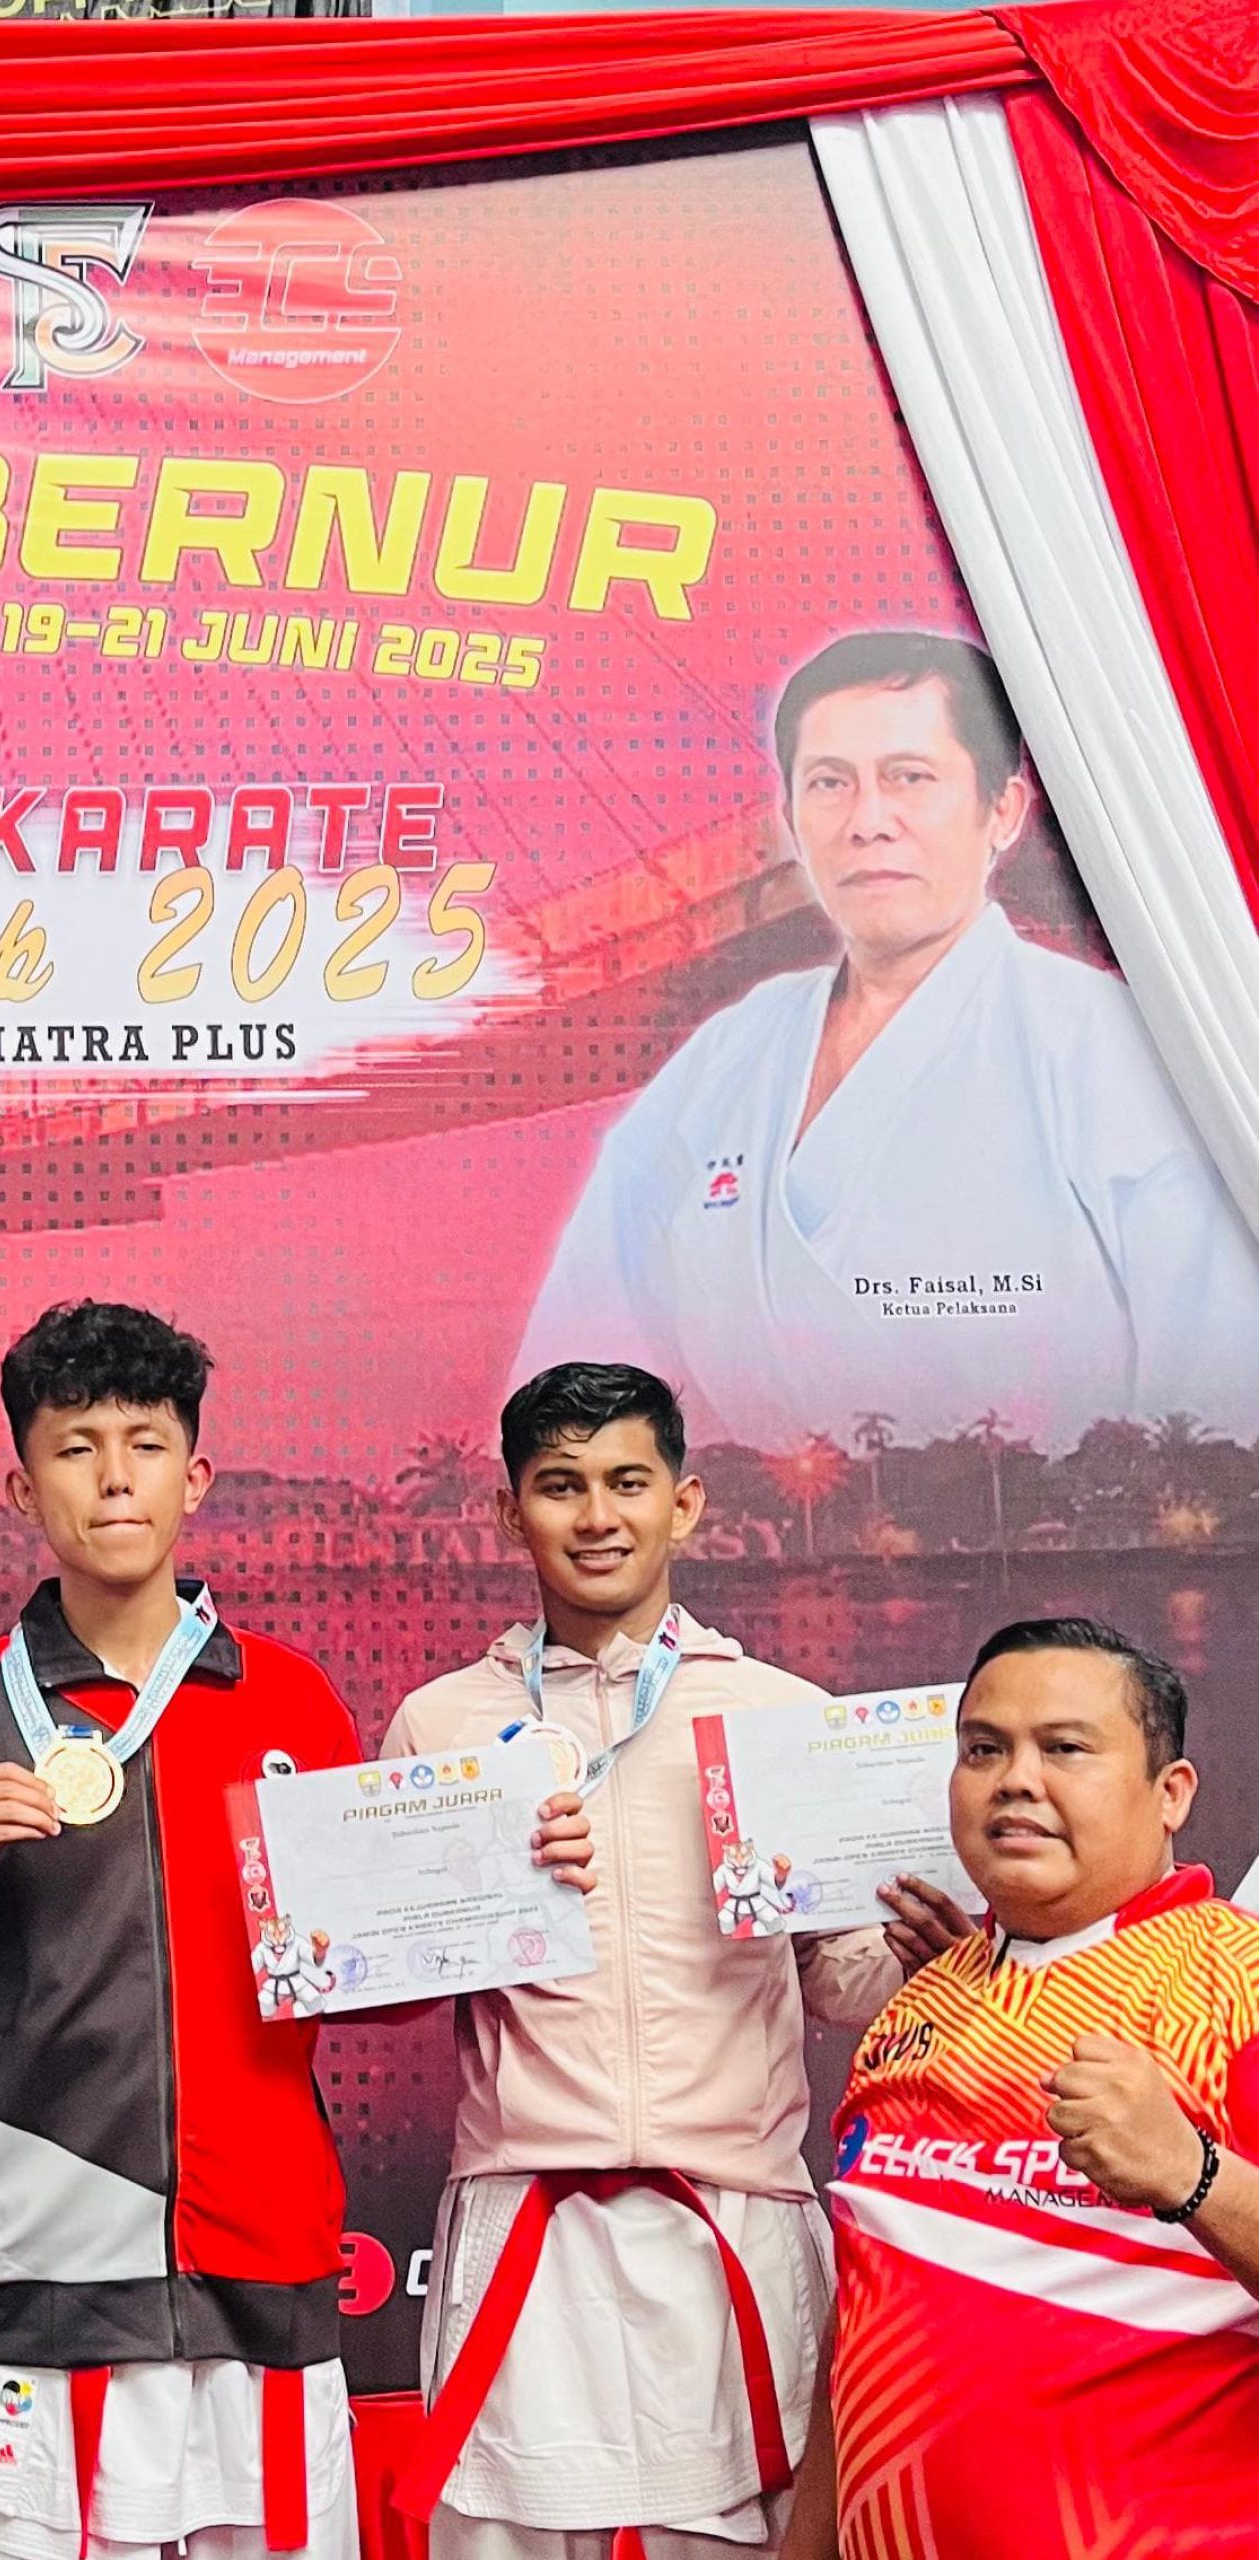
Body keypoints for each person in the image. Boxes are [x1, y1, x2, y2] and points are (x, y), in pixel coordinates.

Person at [0, 1299, 436, 2560]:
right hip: (30, 2293)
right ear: (21, 1485)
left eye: (145, 1443)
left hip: (262, 2277)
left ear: (193, 1476)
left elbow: (380, 1983)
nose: (113, 1477)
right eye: (75, 1446)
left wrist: (474, 1894)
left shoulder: (290, 1699)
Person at [386, 1361, 968, 2560]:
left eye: (626, 1481)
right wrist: (464, 1888)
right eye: (560, 1485)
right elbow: (393, 1975)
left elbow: (831, 1976)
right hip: (524, 2221)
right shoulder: (441, 1724)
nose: (596, 1515)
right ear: (509, 1512)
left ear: (683, 1503)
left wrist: (922, 1961)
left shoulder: (779, 1711)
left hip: (736, 2217)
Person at [516, 629, 1259, 1453]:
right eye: (830, 783)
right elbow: (582, 1356)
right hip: (756, 1523)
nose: (869, 821)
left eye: (910, 777)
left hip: (1071, 1515)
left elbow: (1224, 1390)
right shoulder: (725, 1057)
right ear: (791, 820)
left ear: (1003, 811)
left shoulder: (1107, 1044)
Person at [789, 1620, 1259, 2560]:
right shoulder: (918, 2000)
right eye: (984, 1750)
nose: (1016, 1779)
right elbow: (867, 2321)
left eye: (1066, 1748)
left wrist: (1196, 2175)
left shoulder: (1238, 1983)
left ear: (1171, 1792)